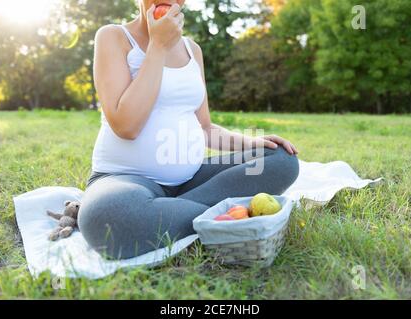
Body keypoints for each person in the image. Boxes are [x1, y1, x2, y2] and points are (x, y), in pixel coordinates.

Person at [78, 0, 300, 259]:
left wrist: (250, 143)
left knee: (282, 160)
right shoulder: (113, 37)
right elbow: (126, 126)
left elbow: (205, 128)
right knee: (108, 217)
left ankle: (173, 212)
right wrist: (158, 46)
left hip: (192, 181)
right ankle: (224, 214)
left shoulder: (192, 50)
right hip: (126, 180)